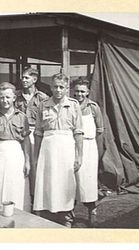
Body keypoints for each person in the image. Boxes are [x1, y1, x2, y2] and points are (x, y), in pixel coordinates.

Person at [33, 73, 83, 227]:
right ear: (51, 87)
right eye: (55, 87)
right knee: (47, 181)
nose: (58, 90)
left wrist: (79, 156)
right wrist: (35, 156)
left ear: (67, 88)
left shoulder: (74, 105)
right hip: (48, 149)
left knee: (65, 183)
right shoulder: (43, 105)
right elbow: (38, 133)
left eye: (62, 87)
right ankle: (47, 214)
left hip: (66, 148)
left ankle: (66, 216)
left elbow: (78, 132)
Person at [0, 82, 31, 211]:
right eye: (2, 97)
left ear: (14, 98)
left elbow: (26, 140)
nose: (5, 100)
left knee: (17, 187)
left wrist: (27, 161)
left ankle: (20, 216)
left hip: (16, 155)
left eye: (8, 97)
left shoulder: (21, 117)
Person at [72, 77, 104, 227]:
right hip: (72, 146)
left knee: (88, 182)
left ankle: (92, 211)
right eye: (77, 91)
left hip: (89, 146)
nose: (79, 94)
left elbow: (100, 130)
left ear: (88, 92)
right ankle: (69, 214)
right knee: (71, 181)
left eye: (82, 91)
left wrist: (93, 147)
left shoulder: (93, 107)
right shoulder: (70, 105)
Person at [15, 66, 48, 200]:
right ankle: (22, 197)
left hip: (35, 133)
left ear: (34, 79)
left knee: (35, 166)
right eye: (22, 77)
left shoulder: (42, 98)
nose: (23, 80)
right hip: (19, 134)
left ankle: (36, 197)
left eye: (27, 77)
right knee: (21, 164)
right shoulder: (16, 97)